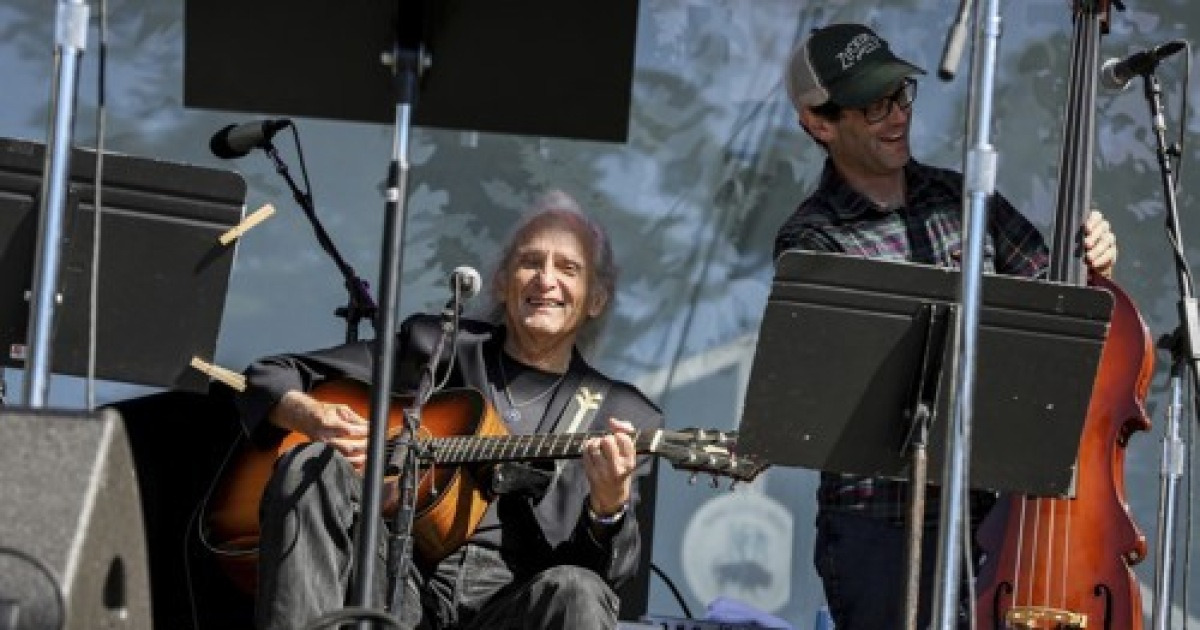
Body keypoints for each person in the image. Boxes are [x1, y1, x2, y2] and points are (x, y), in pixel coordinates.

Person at [775, 24, 1120, 629]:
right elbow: (833, 396)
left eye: (901, 94)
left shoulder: (966, 200)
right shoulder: (813, 237)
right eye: (873, 104)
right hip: (881, 525)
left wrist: (1090, 264)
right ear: (818, 123)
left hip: (995, 512)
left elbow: (1056, 310)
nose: (897, 116)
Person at [233, 190, 663, 630]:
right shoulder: (438, 348)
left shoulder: (622, 412)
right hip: (396, 580)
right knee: (312, 463)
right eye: (531, 262)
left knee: (578, 588)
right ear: (501, 281)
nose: (545, 280)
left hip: (513, 607)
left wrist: (608, 508)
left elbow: (607, 582)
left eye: (568, 268)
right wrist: (311, 415)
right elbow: (271, 374)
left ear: (596, 299)